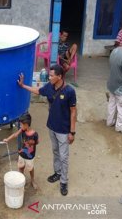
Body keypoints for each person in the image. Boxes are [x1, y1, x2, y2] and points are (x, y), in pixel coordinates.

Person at [18, 64, 77, 196]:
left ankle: (63, 182)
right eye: (49, 75)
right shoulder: (49, 87)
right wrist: (23, 86)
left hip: (64, 130)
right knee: (55, 152)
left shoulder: (69, 91)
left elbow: (73, 112)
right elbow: (38, 91)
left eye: (51, 75)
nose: (49, 77)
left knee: (64, 157)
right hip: (52, 127)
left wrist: (72, 132)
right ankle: (57, 173)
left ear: (59, 76)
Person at [3, 113, 39, 189]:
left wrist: (31, 144)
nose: (21, 126)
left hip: (30, 156)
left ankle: (32, 180)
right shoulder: (22, 130)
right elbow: (15, 134)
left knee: (30, 168)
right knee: (21, 167)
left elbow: (37, 142)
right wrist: (7, 139)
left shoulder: (35, 134)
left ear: (26, 124)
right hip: (22, 153)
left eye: (22, 124)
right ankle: (21, 180)